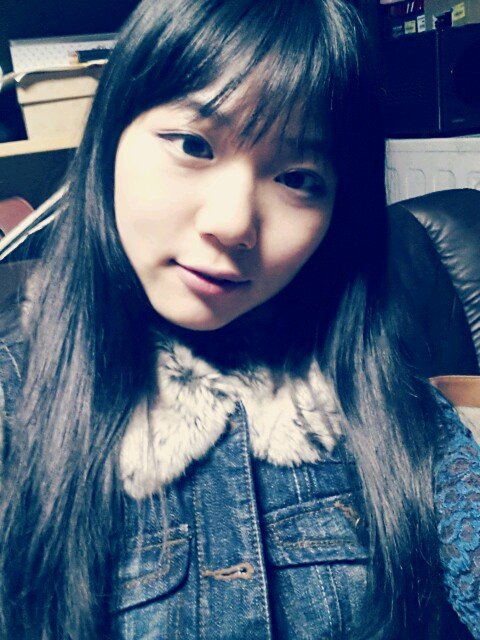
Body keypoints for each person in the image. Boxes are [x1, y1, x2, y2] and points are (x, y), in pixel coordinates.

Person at [0, 0, 479, 638]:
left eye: (298, 178)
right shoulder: (14, 402)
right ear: (111, 137)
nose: (232, 223)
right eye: (194, 145)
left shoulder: (382, 392)